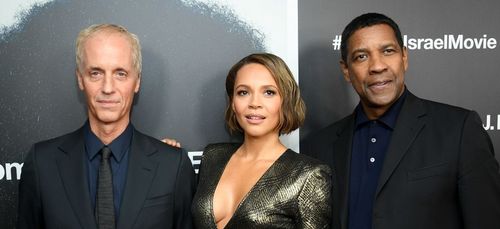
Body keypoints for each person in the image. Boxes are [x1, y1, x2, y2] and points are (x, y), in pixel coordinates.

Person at [302, 12, 500, 229]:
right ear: (346, 70)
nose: (377, 66)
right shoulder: (319, 146)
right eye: (361, 56)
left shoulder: (459, 130)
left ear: (404, 57)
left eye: (388, 51)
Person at [17, 24, 196, 229]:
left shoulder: (172, 165)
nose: (108, 88)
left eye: (120, 73)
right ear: (80, 79)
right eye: (96, 73)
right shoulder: (42, 163)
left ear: (137, 81)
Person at [191, 53, 332, 228]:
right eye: (243, 92)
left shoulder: (308, 175)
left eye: (268, 92)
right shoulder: (212, 156)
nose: (254, 103)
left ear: (285, 101)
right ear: (233, 102)